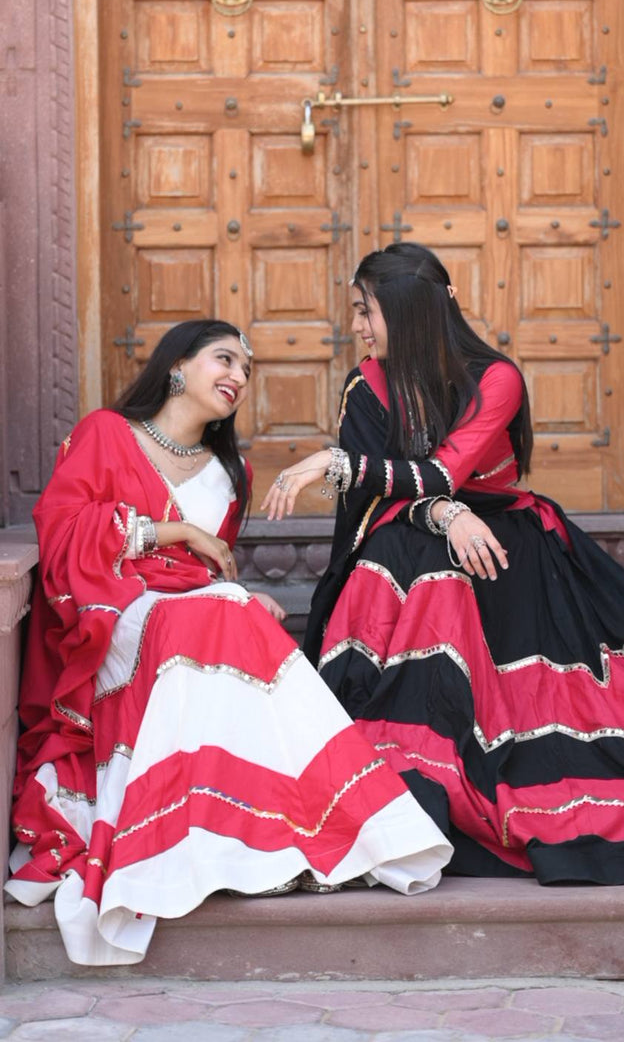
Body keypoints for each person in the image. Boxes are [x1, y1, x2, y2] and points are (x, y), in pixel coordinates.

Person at [264, 244, 624, 886]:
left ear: (408, 314)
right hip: (413, 545)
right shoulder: (368, 385)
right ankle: (403, 762)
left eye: (366, 312)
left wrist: (338, 465)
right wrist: (444, 515)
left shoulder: (495, 378)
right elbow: (385, 503)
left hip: (507, 555)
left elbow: (440, 474)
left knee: (446, 568)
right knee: (406, 546)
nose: (357, 327)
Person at [6, 320, 451, 967]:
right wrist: (174, 531)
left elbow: (206, 573)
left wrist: (231, 591)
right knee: (220, 615)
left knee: (230, 614)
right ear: (177, 366)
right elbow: (66, 532)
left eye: (247, 370)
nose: (239, 378)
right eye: (225, 360)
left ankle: (278, 834)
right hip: (112, 620)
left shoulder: (230, 472)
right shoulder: (107, 433)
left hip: (191, 617)